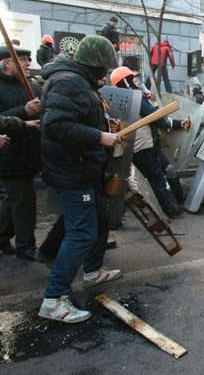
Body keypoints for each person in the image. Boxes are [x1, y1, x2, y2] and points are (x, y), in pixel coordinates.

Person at [38, 35, 123, 324]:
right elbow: (56, 125)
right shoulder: (69, 82)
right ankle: (54, 300)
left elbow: (77, 117)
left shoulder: (77, 80)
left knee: (98, 218)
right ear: (96, 65)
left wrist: (102, 125)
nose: (105, 74)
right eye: (105, 68)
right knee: (81, 233)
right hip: (71, 170)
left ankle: (92, 271)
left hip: (80, 166)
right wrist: (100, 136)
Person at [110, 66, 189, 218]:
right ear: (126, 82)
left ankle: (116, 217)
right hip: (142, 146)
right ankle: (168, 210)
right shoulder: (136, 96)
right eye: (133, 79)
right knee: (156, 179)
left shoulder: (117, 99)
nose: (136, 82)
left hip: (133, 146)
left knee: (162, 172)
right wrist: (175, 124)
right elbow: (156, 117)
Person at [0, 45, 43, 260]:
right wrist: (23, 112)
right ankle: (26, 246)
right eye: (24, 59)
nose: (28, 64)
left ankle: (1, 236)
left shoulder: (32, 87)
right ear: (7, 63)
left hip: (29, 153)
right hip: (9, 155)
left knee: (14, 199)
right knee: (24, 200)